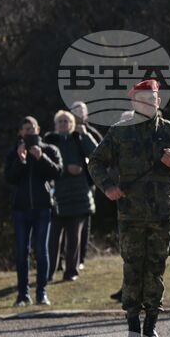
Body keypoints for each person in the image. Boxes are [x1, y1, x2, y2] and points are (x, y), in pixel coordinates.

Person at [89, 80, 170, 337]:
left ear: (159, 101)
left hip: (162, 212)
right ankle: (133, 329)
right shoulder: (120, 132)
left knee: (156, 269)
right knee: (132, 268)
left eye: (153, 99)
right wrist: (108, 187)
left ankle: (151, 328)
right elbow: (95, 161)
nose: (150, 104)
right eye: (144, 100)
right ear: (134, 102)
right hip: (131, 213)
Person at [4, 116, 63, 306]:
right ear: (20, 132)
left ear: (38, 130)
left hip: (42, 207)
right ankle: (22, 295)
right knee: (22, 252)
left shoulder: (50, 150)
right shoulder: (14, 153)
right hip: (21, 209)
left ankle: (41, 293)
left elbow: (57, 172)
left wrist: (41, 157)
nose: (29, 132)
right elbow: (9, 178)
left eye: (32, 128)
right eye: (25, 129)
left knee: (41, 250)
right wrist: (20, 160)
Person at [44, 110, 97, 283]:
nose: (63, 124)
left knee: (74, 238)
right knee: (53, 239)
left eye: (66, 121)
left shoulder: (79, 139)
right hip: (57, 196)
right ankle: (49, 272)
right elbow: (45, 165)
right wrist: (67, 168)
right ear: (55, 125)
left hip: (79, 195)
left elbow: (97, 153)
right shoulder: (50, 141)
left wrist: (85, 135)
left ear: (72, 124)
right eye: (60, 121)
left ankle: (71, 271)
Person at [70, 101, 103, 272]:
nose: (78, 115)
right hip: (67, 185)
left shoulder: (92, 133)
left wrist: (85, 135)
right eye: (75, 112)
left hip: (88, 183)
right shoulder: (65, 131)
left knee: (84, 221)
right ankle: (65, 259)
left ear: (86, 115)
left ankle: (81, 258)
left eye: (81, 112)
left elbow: (102, 153)